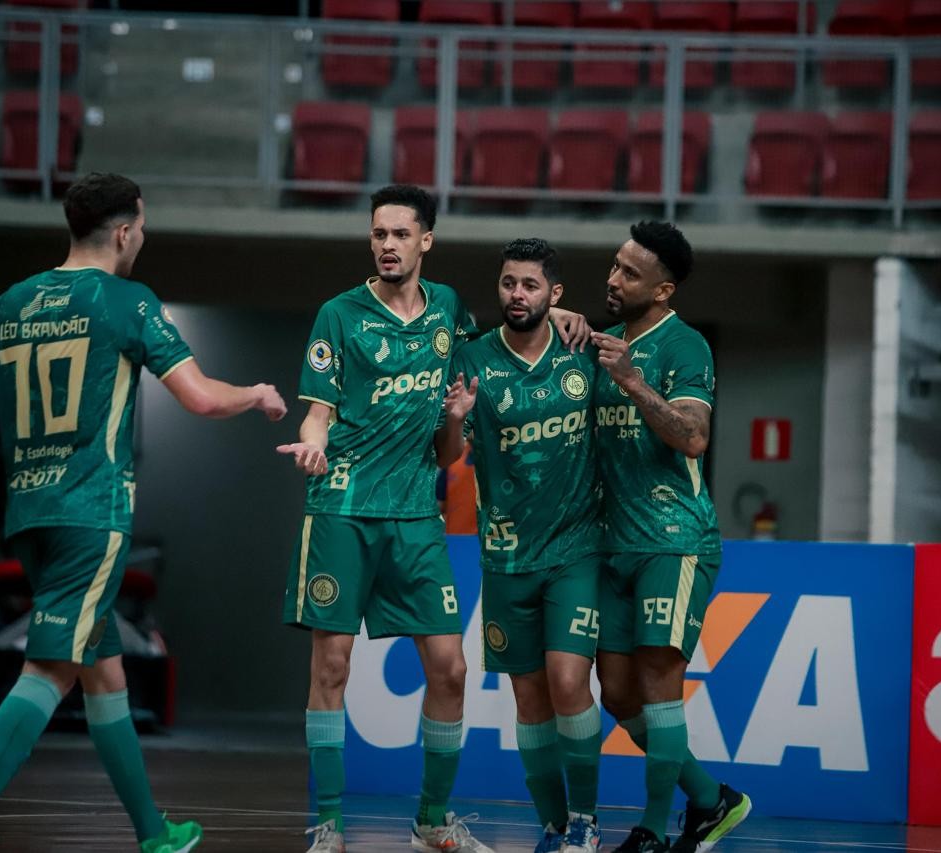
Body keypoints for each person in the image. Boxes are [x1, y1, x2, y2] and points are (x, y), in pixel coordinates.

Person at [0, 172, 287, 853]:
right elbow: (202, 397)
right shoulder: (127, 300)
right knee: (48, 671)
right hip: (91, 513)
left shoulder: (14, 300)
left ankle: (154, 833)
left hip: (28, 512)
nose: (142, 237)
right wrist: (258, 394)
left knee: (105, 672)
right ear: (123, 232)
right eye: (141, 227)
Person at [277, 186, 590, 853]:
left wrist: (562, 315)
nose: (387, 245)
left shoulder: (450, 310)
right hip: (342, 509)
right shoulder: (339, 314)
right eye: (378, 234)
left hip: (419, 515)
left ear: (426, 241)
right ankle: (328, 826)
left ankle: (431, 822)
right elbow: (316, 412)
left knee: (450, 670)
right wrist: (313, 442)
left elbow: (456, 442)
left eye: (400, 234)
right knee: (331, 667)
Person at [435, 238, 603, 853]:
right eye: (509, 283)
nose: (517, 294)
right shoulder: (473, 358)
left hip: (576, 548)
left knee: (567, 680)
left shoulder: (582, 349)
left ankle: (585, 821)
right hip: (506, 555)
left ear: (554, 294)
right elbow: (446, 456)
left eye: (530, 285)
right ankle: (554, 826)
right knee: (528, 696)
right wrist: (457, 417)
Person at [591, 222, 751, 853]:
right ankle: (711, 799)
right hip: (612, 546)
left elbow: (694, 436)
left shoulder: (685, 346)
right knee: (617, 694)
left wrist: (634, 382)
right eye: (615, 265)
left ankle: (652, 831)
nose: (614, 279)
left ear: (663, 290)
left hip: (673, 539)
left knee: (660, 685)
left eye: (630, 273)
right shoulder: (604, 344)